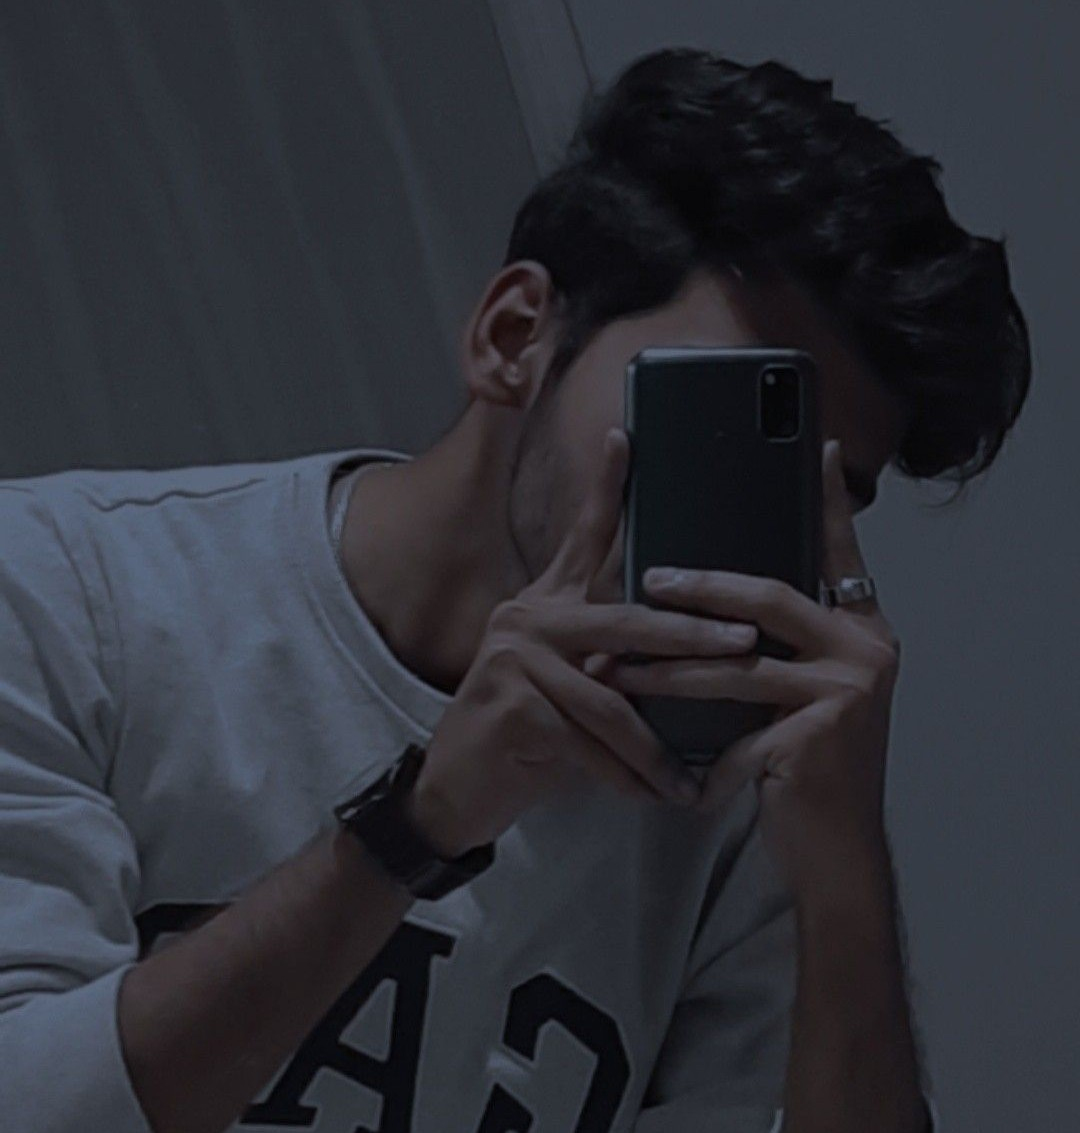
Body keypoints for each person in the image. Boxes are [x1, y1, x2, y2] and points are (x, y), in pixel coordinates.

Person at [0, 47, 1029, 1133]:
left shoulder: (742, 791)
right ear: (513, 337)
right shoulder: (72, 590)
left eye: (814, 493)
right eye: (710, 429)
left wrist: (845, 877)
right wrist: (416, 827)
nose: (743, 530)